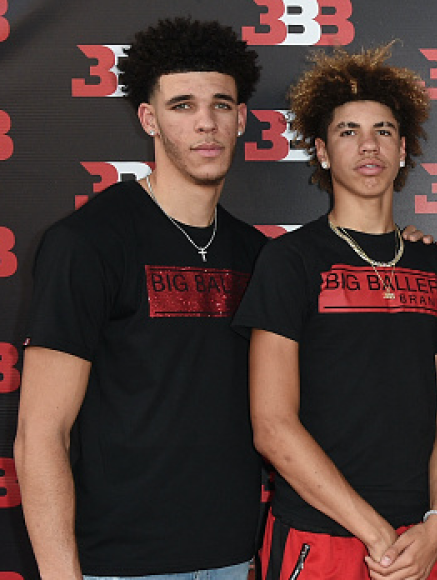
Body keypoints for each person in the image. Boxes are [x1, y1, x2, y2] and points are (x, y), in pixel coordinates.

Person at [15, 17, 265, 580]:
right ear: (148, 118)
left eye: (222, 105)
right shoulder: (87, 242)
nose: (206, 123)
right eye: (182, 105)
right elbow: (40, 433)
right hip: (120, 564)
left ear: (243, 118)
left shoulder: (257, 253)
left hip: (234, 555)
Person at [231, 44, 437, 580]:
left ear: (404, 149)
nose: (368, 145)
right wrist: (377, 532)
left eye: (382, 130)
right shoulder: (289, 260)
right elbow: (271, 425)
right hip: (320, 536)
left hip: (419, 543)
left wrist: (436, 522)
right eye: (348, 131)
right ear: (323, 151)